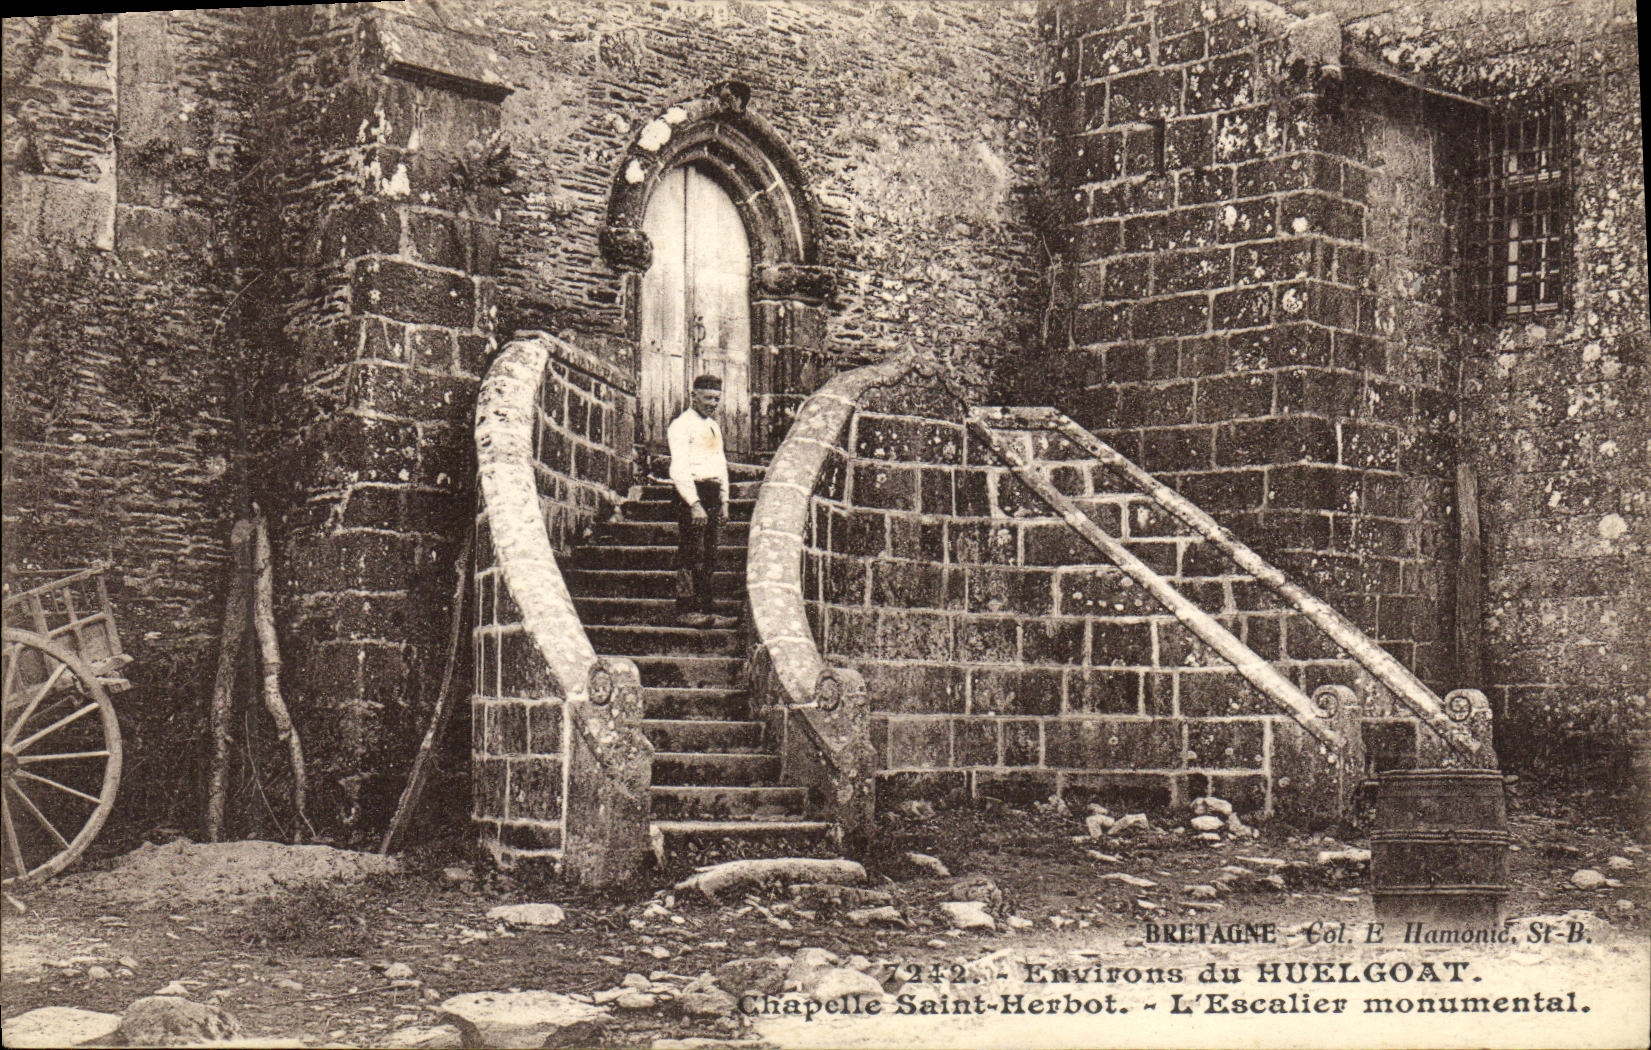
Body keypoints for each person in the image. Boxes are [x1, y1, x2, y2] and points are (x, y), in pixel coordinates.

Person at [667, 375, 738, 629]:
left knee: (709, 555)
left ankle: (707, 610)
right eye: (708, 397)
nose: (713, 403)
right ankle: (686, 609)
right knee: (691, 552)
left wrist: (724, 500)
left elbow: (720, 465)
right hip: (691, 494)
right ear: (693, 395)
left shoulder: (713, 427)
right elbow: (678, 468)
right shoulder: (681, 425)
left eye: (717, 398)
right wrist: (694, 503)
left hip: (711, 493)